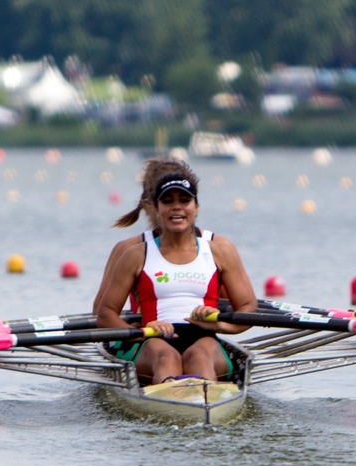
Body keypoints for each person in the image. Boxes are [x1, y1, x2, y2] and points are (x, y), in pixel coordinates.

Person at [92, 158, 258, 385]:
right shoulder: (134, 254)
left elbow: (247, 308)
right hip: (152, 339)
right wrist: (143, 331)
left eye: (185, 200)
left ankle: (199, 407)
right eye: (167, 201)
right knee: (166, 357)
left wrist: (218, 323)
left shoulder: (220, 251)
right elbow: (103, 314)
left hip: (204, 337)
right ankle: (179, 405)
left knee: (199, 357)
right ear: (154, 207)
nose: (177, 206)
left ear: (196, 206)